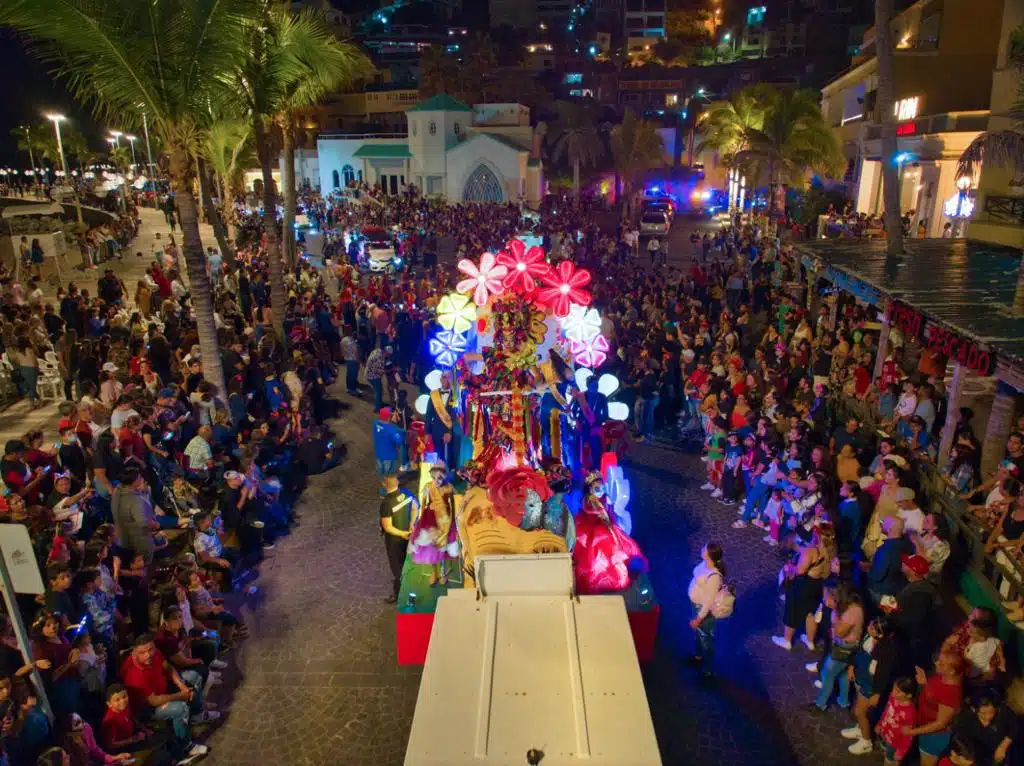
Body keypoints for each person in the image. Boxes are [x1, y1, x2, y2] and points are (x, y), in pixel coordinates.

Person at [772, 523, 834, 651]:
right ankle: (810, 641)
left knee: (792, 611)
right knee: (811, 613)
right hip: (818, 585)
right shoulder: (832, 551)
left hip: (803, 585)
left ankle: (787, 640)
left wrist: (790, 568)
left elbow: (800, 571)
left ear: (817, 535)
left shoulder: (811, 551)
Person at [810, 582, 864, 712]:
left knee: (827, 673)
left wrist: (834, 609)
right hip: (841, 645)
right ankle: (843, 702)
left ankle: (820, 704)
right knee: (842, 674)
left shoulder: (853, 610)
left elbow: (840, 632)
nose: (824, 599)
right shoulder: (845, 607)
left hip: (845, 647)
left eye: (827, 596)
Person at [908, 651, 966, 766]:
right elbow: (934, 696)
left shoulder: (951, 692)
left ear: (951, 671)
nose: (937, 663)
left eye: (942, 663)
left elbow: (940, 723)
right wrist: (924, 683)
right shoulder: (942, 676)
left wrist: (912, 732)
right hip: (925, 727)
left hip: (934, 736)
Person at [687, 542, 728, 679]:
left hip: (704, 612)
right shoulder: (705, 564)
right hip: (696, 606)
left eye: (704, 548)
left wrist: (698, 618)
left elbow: (709, 602)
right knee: (699, 635)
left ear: (709, 555)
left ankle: (708, 670)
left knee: (706, 640)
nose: (702, 549)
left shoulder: (714, 577)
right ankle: (698, 657)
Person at [951, 692, 1016, 766]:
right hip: (974, 756)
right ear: (973, 709)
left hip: (998, 755)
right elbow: (959, 741)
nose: (988, 717)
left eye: (991, 712)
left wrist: (1003, 746)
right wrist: (967, 762)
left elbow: (1015, 728)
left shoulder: (1003, 711)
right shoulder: (965, 719)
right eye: (983, 713)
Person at [379, 475, 414, 603]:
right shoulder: (406, 494)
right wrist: (411, 525)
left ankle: (400, 594)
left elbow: (387, 527)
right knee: (405, 563)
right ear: (397, 482)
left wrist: (401, 533)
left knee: (397, 568)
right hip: (406, 536)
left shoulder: (386, 503)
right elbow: (415, 507)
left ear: (384, 484)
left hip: (395, 540)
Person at [875, 676, 919, 765]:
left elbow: (908, 736)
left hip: (895, 743)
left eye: (898, 691)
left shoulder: (909, 713)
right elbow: (887, 711)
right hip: (886, 735)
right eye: (894, 688)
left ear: (909, 695)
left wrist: (901, 752)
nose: (893, 692)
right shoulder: (893, 697)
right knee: (887, 753)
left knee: (889, 761)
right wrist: (880, 724)